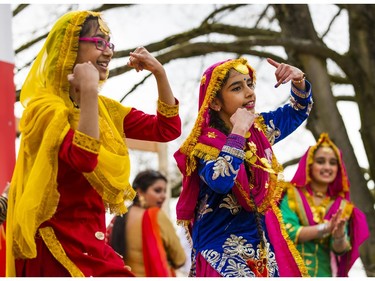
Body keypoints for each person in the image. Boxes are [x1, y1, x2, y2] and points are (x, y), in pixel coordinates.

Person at [6, 10, 181, 277]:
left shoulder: (105, 110)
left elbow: (166, 129)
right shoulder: (44, 110)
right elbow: (84, 159)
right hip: (58, 248)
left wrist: (159, 73)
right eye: (99, 42)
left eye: (110, 43)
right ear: (70, 48)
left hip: (92, 245)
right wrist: (88, 92)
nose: (109, 52)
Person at [174, 57, 313, 277]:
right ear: (215, 102)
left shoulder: (258, 130)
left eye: (250, 84)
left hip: (261, 251)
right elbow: (220, 180)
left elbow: (298, 110)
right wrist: (237, 132)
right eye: (237, 87)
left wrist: (299, 81)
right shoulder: (205, 144)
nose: (249, 92)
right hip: (221, 256)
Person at [279, 133, 369, 277]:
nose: (327, 167)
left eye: (333, 163)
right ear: (310, 165)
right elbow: (288, 232)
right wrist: (325, 227)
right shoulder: (292, 195)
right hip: (289, 271)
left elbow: (339, 250)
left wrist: (339, 236)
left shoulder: (341, 206)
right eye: (321, 161)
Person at [107, 169, 186, 277]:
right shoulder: (155, 215)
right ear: (139, 192)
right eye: (158, 190)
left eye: (164, 191)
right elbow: (180, 259)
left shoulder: (118, 217)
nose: (163, 196)